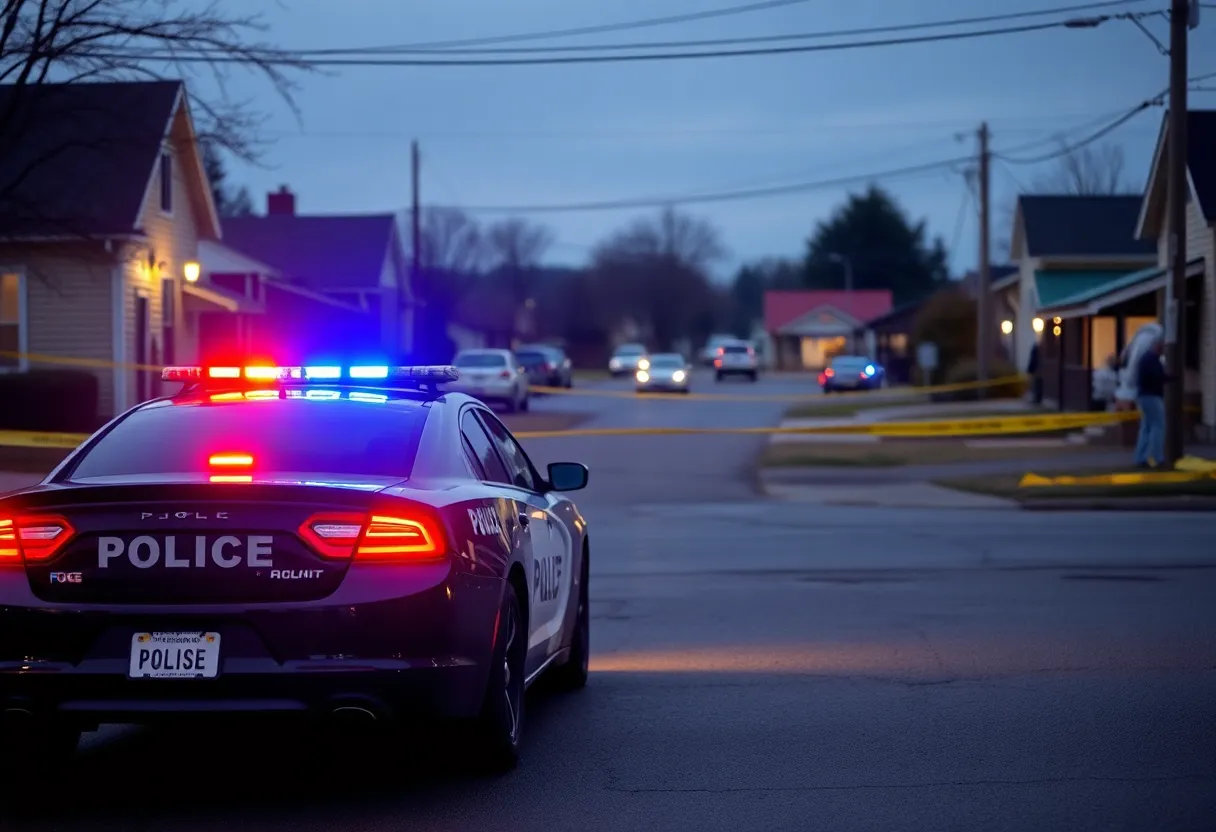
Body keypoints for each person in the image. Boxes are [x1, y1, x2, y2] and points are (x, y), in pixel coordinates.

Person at [1133, 334, 1169, 468]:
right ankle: (1156, 457)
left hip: (1144, 396)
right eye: (1162, 346)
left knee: (1146, 427)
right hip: (1152, 396)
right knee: (1158, 426)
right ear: (1157, 345)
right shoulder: (1152, 359)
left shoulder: (1146, 359)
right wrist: (1168, 378)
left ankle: (1140, 458)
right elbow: (1155, 377)